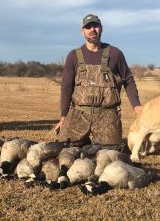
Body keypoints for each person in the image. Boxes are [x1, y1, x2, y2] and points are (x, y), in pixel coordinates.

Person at [54, 14, 142, 145]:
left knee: (110, 154)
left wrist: (137, 107)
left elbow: (128, 80)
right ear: (82, 31)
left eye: (95, 26)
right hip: (79, 114)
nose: (92, 30)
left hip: (107, 115)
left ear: (101, 28)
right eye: (88, 27)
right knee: (64, 149)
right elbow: (66, 87)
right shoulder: (73, 55)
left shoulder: (115, 53)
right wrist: (64, 117)